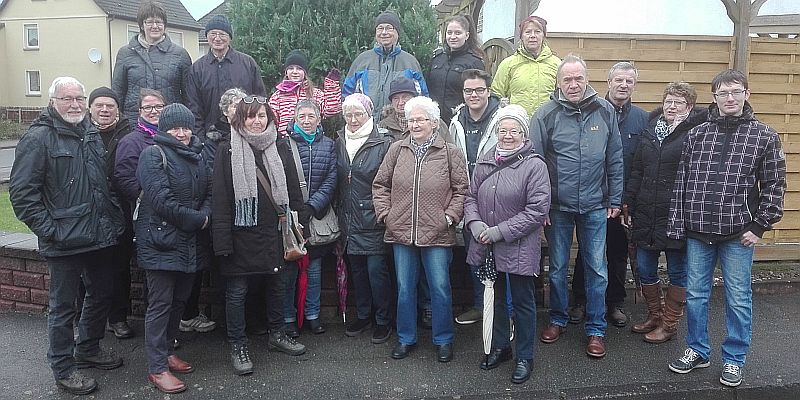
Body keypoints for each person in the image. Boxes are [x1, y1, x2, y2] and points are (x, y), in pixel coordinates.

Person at [666, 69, 786, 387]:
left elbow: (775, 184)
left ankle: (734, 359)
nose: (729, 98)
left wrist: (760, 225)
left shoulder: (765, 136)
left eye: (735, 91)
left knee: (738, 298)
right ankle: (697, 350)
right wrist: (678, 224)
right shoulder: (697, 135)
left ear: (747, 94)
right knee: (695, 296)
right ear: (715, 98)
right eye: (722, 93)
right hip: (698, 232)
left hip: (738, 235)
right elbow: (682, 183)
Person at [10, 77, 126, 395]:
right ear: (52, 102)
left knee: (102, 293)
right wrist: (51, 231)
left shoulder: (87, 131)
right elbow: (22, 195)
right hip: (63, 240)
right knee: (63, 308)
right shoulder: (38, 139)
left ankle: (87, 347)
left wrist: (112, 216)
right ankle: (63, 367)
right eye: (67, 99)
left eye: (79, 98)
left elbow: (101, 181)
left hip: (98, 234)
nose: (75, 104)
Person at [530, 54, 623, 358]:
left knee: (597, 269)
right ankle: (557, 318)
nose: (573, 84)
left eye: (578, 78)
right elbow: (535, 163)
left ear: (587, 79)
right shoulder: (545, 114)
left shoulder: (605, 111)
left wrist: (615, 198)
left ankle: (596, 329)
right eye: (567, 79)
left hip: (596, 205)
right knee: (557, 268)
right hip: (557, 206)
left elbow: (615, 158)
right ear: (558, 82)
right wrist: (540, 205)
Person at [211, 95, 307, 376]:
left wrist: (301, 225)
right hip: (240, 234)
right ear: (240, 119)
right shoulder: (226, 150)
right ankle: (238, 345)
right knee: (237, 292)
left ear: (270, 118)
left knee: (277, 285)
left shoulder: (280, 146)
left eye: (262, 116)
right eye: (251, 116)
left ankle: (277, 334)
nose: (257, 121)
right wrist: (222, 243)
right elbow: (220, 199)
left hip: (274, 232)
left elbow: (293, 191)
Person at [373, 96, 468, 363]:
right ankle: (405, 338)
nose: (414, 124)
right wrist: (386, 215)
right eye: (410, 120)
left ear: (434, 123)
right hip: (401, 232)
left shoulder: (450, 152)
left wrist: (449, 217)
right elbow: (380, 185)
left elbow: (462, 190)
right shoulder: (397, 150)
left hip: (437, 232)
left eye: (420, 119)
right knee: (404, 288)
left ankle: (444, 339)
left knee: (439, 287)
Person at [464, 104, 550, 384]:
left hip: (518, 245)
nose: (508, 135)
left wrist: (498, 232)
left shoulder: (535, 165)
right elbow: (470, 198)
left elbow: (537, 211)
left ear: (524, 135)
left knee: (523, 302)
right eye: (503, 130)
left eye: (514, 131)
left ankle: (525, 356)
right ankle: (501, 347)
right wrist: (475, 224)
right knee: (497, 298)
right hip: (487, 243)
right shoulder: (487, 160)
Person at [623, 82, 708, 343]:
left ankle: (670, 324)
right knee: (645, 268)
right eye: (668, 101)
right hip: (647, 212)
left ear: (689, 107)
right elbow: (638, 169)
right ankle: (655, 315)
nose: (671, 107)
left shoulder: (695, 134)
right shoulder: (651, 130)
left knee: (677, 272)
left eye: (678, 103)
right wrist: (629, 200)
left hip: (676, 215)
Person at [135, 104, 211, 394]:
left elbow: (209, 193)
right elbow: (161, 201)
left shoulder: (198, 154)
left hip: (189, 243)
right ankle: (156, 368)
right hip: (161, 243)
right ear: (164, 129)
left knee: (179, 302)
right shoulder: (153, 155)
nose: (181, 133)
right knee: (160, 305)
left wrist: (204, 214)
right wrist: (199, 220)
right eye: (175, 128)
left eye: (186, 127)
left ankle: (167, 351)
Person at [569, 62, 648, 327]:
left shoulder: (642, 119)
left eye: (629, 81)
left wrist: (628, 199)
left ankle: (613, 303)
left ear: (634, 85)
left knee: (617, 252)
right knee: (588, 253)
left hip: (622, 199)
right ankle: (580, 301)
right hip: (592, 196)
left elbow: (641, 163)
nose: (623, 85)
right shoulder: (594, 111)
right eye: (619, 80)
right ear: (608, 82)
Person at [335, 94, 394, 343]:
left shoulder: (383, 142)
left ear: (369, 115)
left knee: (376, 271)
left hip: (372, 216)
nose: (353, 119)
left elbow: (389, 181)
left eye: (358, 114)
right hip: (348, 217)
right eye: (348, 114)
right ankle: (363, 314)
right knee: (357, 271)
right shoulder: (339, 140)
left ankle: (383, 319)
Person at [450, 68, 503, 325]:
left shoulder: (502, 118)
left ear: (488, 91)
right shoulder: (456, 120)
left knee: (500, 256)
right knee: (474, 253)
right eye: (468, 90)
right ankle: (480, 306)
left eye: (479, 90)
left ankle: (504, 315)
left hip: (497, 197)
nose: (474, 95)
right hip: (468, 196)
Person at [282, 99, 338, 336]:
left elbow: (332, 177)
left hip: (316, 215)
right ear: (295, 118)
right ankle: (288, 318)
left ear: (318, 119)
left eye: (311, 116)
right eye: (301, 116)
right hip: (291, 217)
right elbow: (279, 178)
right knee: (288, 273)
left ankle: (313, 315)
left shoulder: (328, 144)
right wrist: (295, 208)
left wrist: (313, 206)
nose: (306, 121)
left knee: (313, 271)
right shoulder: (283, 144)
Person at [88, 87, 135, 339]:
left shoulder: (128, 133)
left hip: (120, 211)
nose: (105, 110)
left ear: (118, 109)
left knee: (120, 267)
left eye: (110, 106)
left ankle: (118, 318)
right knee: (88, 270)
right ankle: (85, 323)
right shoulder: (80, 133)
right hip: (89, 212)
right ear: (90, 108)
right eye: (99, 105)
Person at [186, 14, 267, 140]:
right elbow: (194, 107)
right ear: (207, 36)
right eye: (213, 33)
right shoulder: (197, 69)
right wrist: (200, 139)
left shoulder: (248, 63)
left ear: (230, 38)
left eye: (222, 34)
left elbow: (260, 99)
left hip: (246, 133)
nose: (217, 38)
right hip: (211, 137)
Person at [112, 1, 191, 122]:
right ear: (142, 25)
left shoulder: (180, 54)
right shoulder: (125, 53)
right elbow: (118, 91)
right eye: (149, 22)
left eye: (159, 22)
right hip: (134, 122)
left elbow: (189, 95)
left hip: (170, 121)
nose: (155, 26)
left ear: (164, 25)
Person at [344, 9, 428, 120]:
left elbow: (422, 98)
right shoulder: (362, 60)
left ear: (397, 33)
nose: (384, 32)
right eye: (380, 28)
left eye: (389, 28)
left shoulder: (410, 62)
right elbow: (347, 94)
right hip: (366, 125)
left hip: (399, 127)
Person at [491, 16, 560, 117]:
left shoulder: (556, 64)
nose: (532, 36)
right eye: (528, 32)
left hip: (548, 124)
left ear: (544, 36)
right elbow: (495, 95)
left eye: (537, 31)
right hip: (517, 124)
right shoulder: (508, 64)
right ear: (521, 36)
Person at [427, 14, 485, 126]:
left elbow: (479, 95)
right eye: (449, 33)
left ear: (467, 35)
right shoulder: (437, 59)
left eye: (458, 33)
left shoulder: (474, 62)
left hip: (461, 122)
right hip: (435, 121)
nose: (453, 36)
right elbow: (428, 88)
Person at [269, 49, 342, 134]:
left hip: (311, 142)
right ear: (286, 72)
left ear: (305, 72)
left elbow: (331, 110)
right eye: (291, 68)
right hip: (287, 143)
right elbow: (272, 122)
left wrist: (331, 86)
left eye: (299, 69)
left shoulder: (315, 94)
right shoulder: (277, 96)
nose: (295, 72)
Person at [114, 89, 166, 208]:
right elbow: (125, 179)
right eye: (148, 107)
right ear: (140, 111)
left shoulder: (176, 135)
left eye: (159, 106)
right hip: (148, 208)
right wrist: (149, 198)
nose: (154, 111)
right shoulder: (130, 142)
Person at [379, 76, 450, 142]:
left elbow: (449, 150)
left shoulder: (433, 122)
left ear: (414, 98)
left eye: (405, 97)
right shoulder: (384, 125)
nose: (400, 102)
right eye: (395, 98)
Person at [202, 87, 247, 170]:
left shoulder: (252, 134)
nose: (240, 110)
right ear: (225, 111)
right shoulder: (214, 139)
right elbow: (212, 170)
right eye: (236, 106)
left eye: (243, 106)